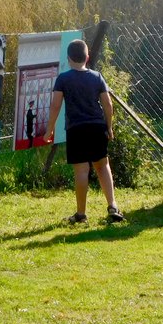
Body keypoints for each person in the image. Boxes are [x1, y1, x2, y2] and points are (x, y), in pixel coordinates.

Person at [46, 39, 124, 224]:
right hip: (97, 126)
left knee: (81, 170)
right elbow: (108, 104)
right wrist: (109, 127)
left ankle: (81, 214)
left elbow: (55, 105)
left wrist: (49, 129)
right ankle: (112, 206)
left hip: (76, 128)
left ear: (68, 59)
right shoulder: (97, 77)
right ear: (87, 58)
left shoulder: (63, 79)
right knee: (103, 166)